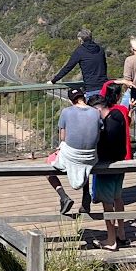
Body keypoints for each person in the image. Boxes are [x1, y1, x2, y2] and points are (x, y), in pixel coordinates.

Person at [47, 87, 101, 217]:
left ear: (72, 101)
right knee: (83, 166)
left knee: (49, 163)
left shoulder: (66, 112)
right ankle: (86, 195)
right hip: (90, 156)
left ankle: (63, 196)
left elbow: (62, 137)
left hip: (72, 155)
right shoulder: (96, 112)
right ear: (84, 98)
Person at [89, 92, 130, 250]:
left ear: (98, 109)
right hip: (120, 163)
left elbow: (103, 146)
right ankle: (121, 232)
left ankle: (111, 240)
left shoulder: (107, 126)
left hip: (107, 167)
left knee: (107, 204)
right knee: (118, 198)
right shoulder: (117, 115)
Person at [52, 28, 108, 92]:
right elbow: (104, 66)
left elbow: (68, 67)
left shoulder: (80, 51)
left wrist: (54, 80)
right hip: (104, 86)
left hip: (91, 87)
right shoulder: (100, 49)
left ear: (81, 39)